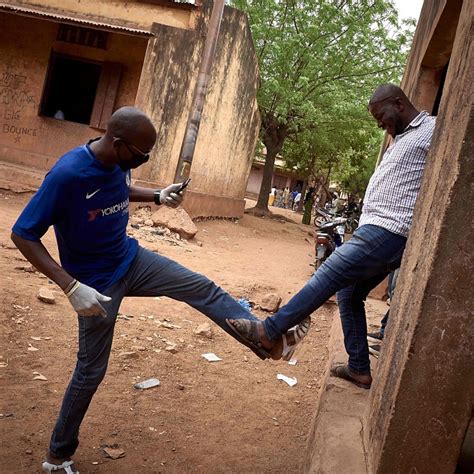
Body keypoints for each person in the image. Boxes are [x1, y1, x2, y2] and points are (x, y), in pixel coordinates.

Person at [11, 107, 309, 473]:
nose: (143, 160)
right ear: (118, 143)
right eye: (141, 155)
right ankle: (57, 457)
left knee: (201, 286)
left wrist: (157, 196)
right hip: (96, 286)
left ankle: (265, 336)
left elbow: (118, 188)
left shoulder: (119, 162)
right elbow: (23, 234)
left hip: (131, 260)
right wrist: (71, 287)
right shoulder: (68, 175)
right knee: (91, 372)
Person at [226, 84, 436, 390]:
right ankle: (359, 368)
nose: (380, 124)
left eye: (382, 116)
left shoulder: (432, 128)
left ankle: (269, 332)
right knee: (349, 294)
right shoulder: (400, 137)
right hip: (375, 229)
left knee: (329, 273)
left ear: (399, 103)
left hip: (390, 230)